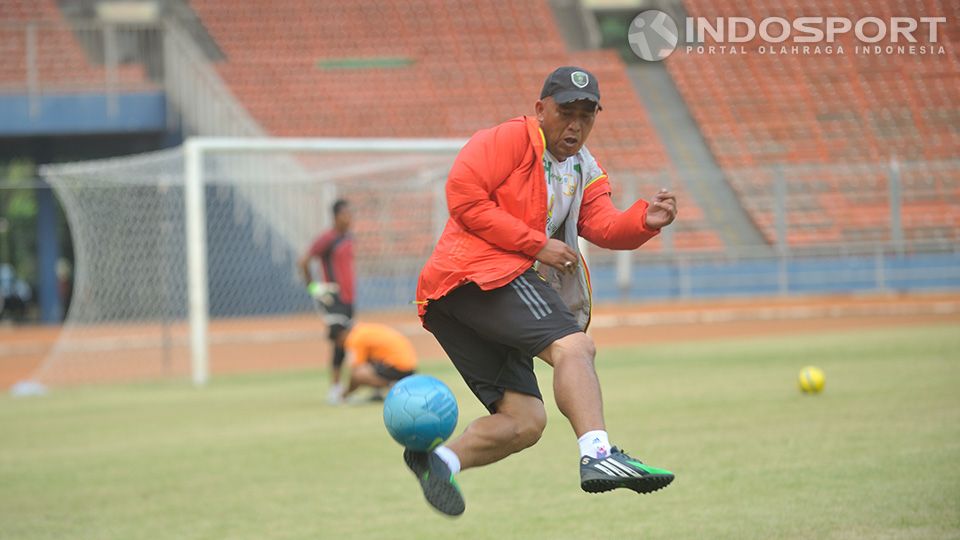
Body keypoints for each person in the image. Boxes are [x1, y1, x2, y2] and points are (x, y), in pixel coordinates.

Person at [407, 66, 679, 516]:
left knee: (525, 422)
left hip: (455, 301)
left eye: (586, 115)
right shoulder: (509, 140)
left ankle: (438, 461)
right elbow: (464, 198)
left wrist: (642, 223)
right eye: (565, 112)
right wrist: (537, 245)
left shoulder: (583, 165)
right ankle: (598, 455)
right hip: (478, 276)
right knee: (574, 346)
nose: (574, 125)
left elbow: (600, 222)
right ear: (540, 109)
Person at [299, 199, 355, 404]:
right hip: (334, 297)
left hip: (349, 299)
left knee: (346, 342)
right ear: (335, 216)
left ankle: (345, 386)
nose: (349, 219)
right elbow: (304, 261)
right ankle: (335, 388)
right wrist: (313, 288)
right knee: (340, 340)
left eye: (351, 215)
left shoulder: (348, 238)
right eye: (345, 215)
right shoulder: (327, 239)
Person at [328, 321, 417, 403]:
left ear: (341, 335)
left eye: (338, 343)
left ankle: (394, 386)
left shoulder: (354, 339)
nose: (340, 346)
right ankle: (379, 391)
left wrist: (344, 394)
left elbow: (356, 373)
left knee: (359, 373)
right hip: (409, 367)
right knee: (370, 365)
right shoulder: (362, 330)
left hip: (397, 366)